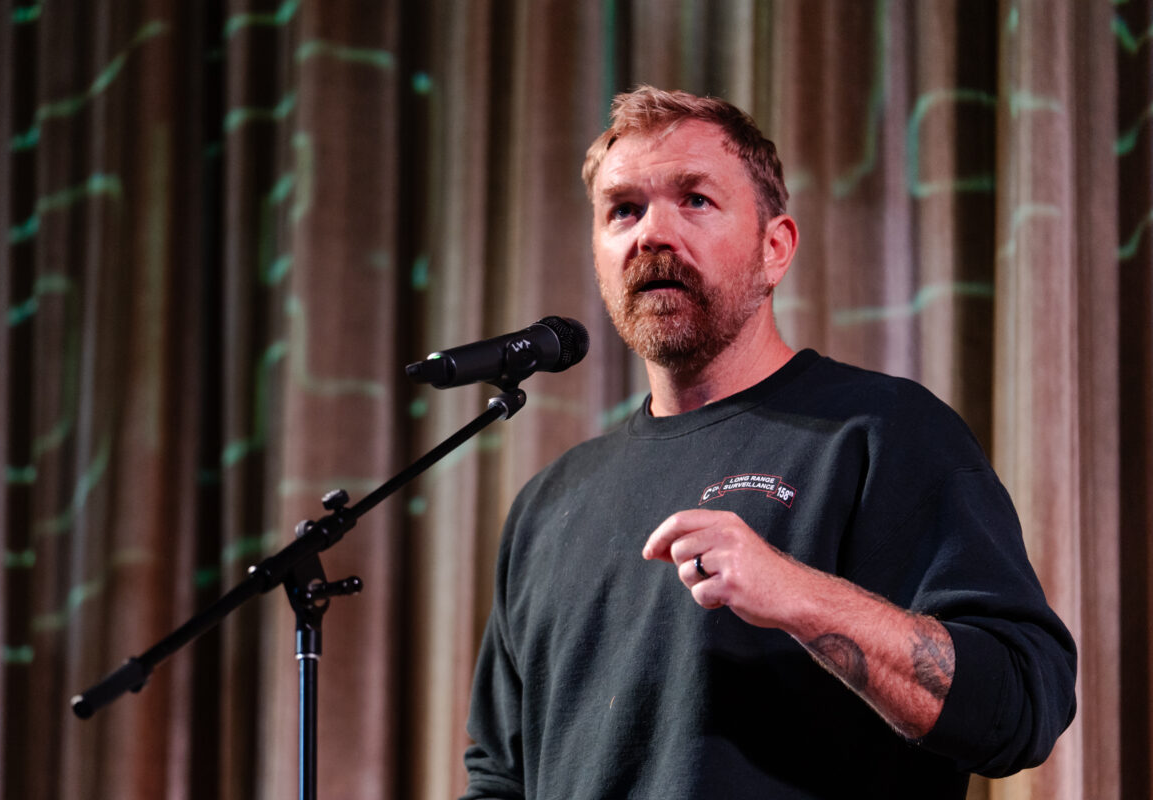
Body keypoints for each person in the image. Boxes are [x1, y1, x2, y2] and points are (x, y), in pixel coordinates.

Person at [459, 86, 1076, 799]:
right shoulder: (550, 503)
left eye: (695, 199)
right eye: (623, 209)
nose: (652, 234)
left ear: (774, 248)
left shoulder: (882, 433)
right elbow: (499, 778)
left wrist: (797, 595)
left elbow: (1022, 703)